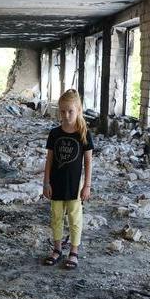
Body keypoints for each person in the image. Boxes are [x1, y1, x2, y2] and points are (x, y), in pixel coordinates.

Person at [43, 89, 94, 269]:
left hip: (74, 185)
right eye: (62, 111)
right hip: (56, 183)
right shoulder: (54, 133)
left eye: (70, 111)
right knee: (56, 216)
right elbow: (49, 159)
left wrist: (87, 185)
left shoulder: (83, 133)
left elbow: (88, 162)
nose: (66, 115)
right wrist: (46, 182)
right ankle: (57, 249)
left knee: (74, 217)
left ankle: (74, 251)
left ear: (79, 110)